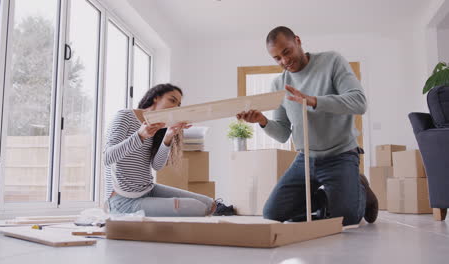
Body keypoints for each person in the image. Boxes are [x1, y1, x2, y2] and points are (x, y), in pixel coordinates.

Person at [237, 26, 378, 225]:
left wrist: (313, 101)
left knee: (347, 219)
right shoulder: (279, 84)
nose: (284, 61)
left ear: (297, 41)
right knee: (272, 213)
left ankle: (360, 187)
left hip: (340, 155)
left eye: (287, 51)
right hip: (305, 159)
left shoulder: (331, 61)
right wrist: (262, 121)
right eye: (277, 58)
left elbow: (359, 102)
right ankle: (327, 198)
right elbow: (283, 134)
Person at [104, 83, 216, 216]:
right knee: (196, 207)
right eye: (172, 100)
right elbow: (107, 158)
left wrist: (168, 137)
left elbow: (157, 165)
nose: (175, 107)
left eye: (178, 104)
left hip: (148, 190)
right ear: (156, 98)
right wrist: (140, 136)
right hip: (122, 200)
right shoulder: (124, 117)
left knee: (210, 204)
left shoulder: (159, 127)